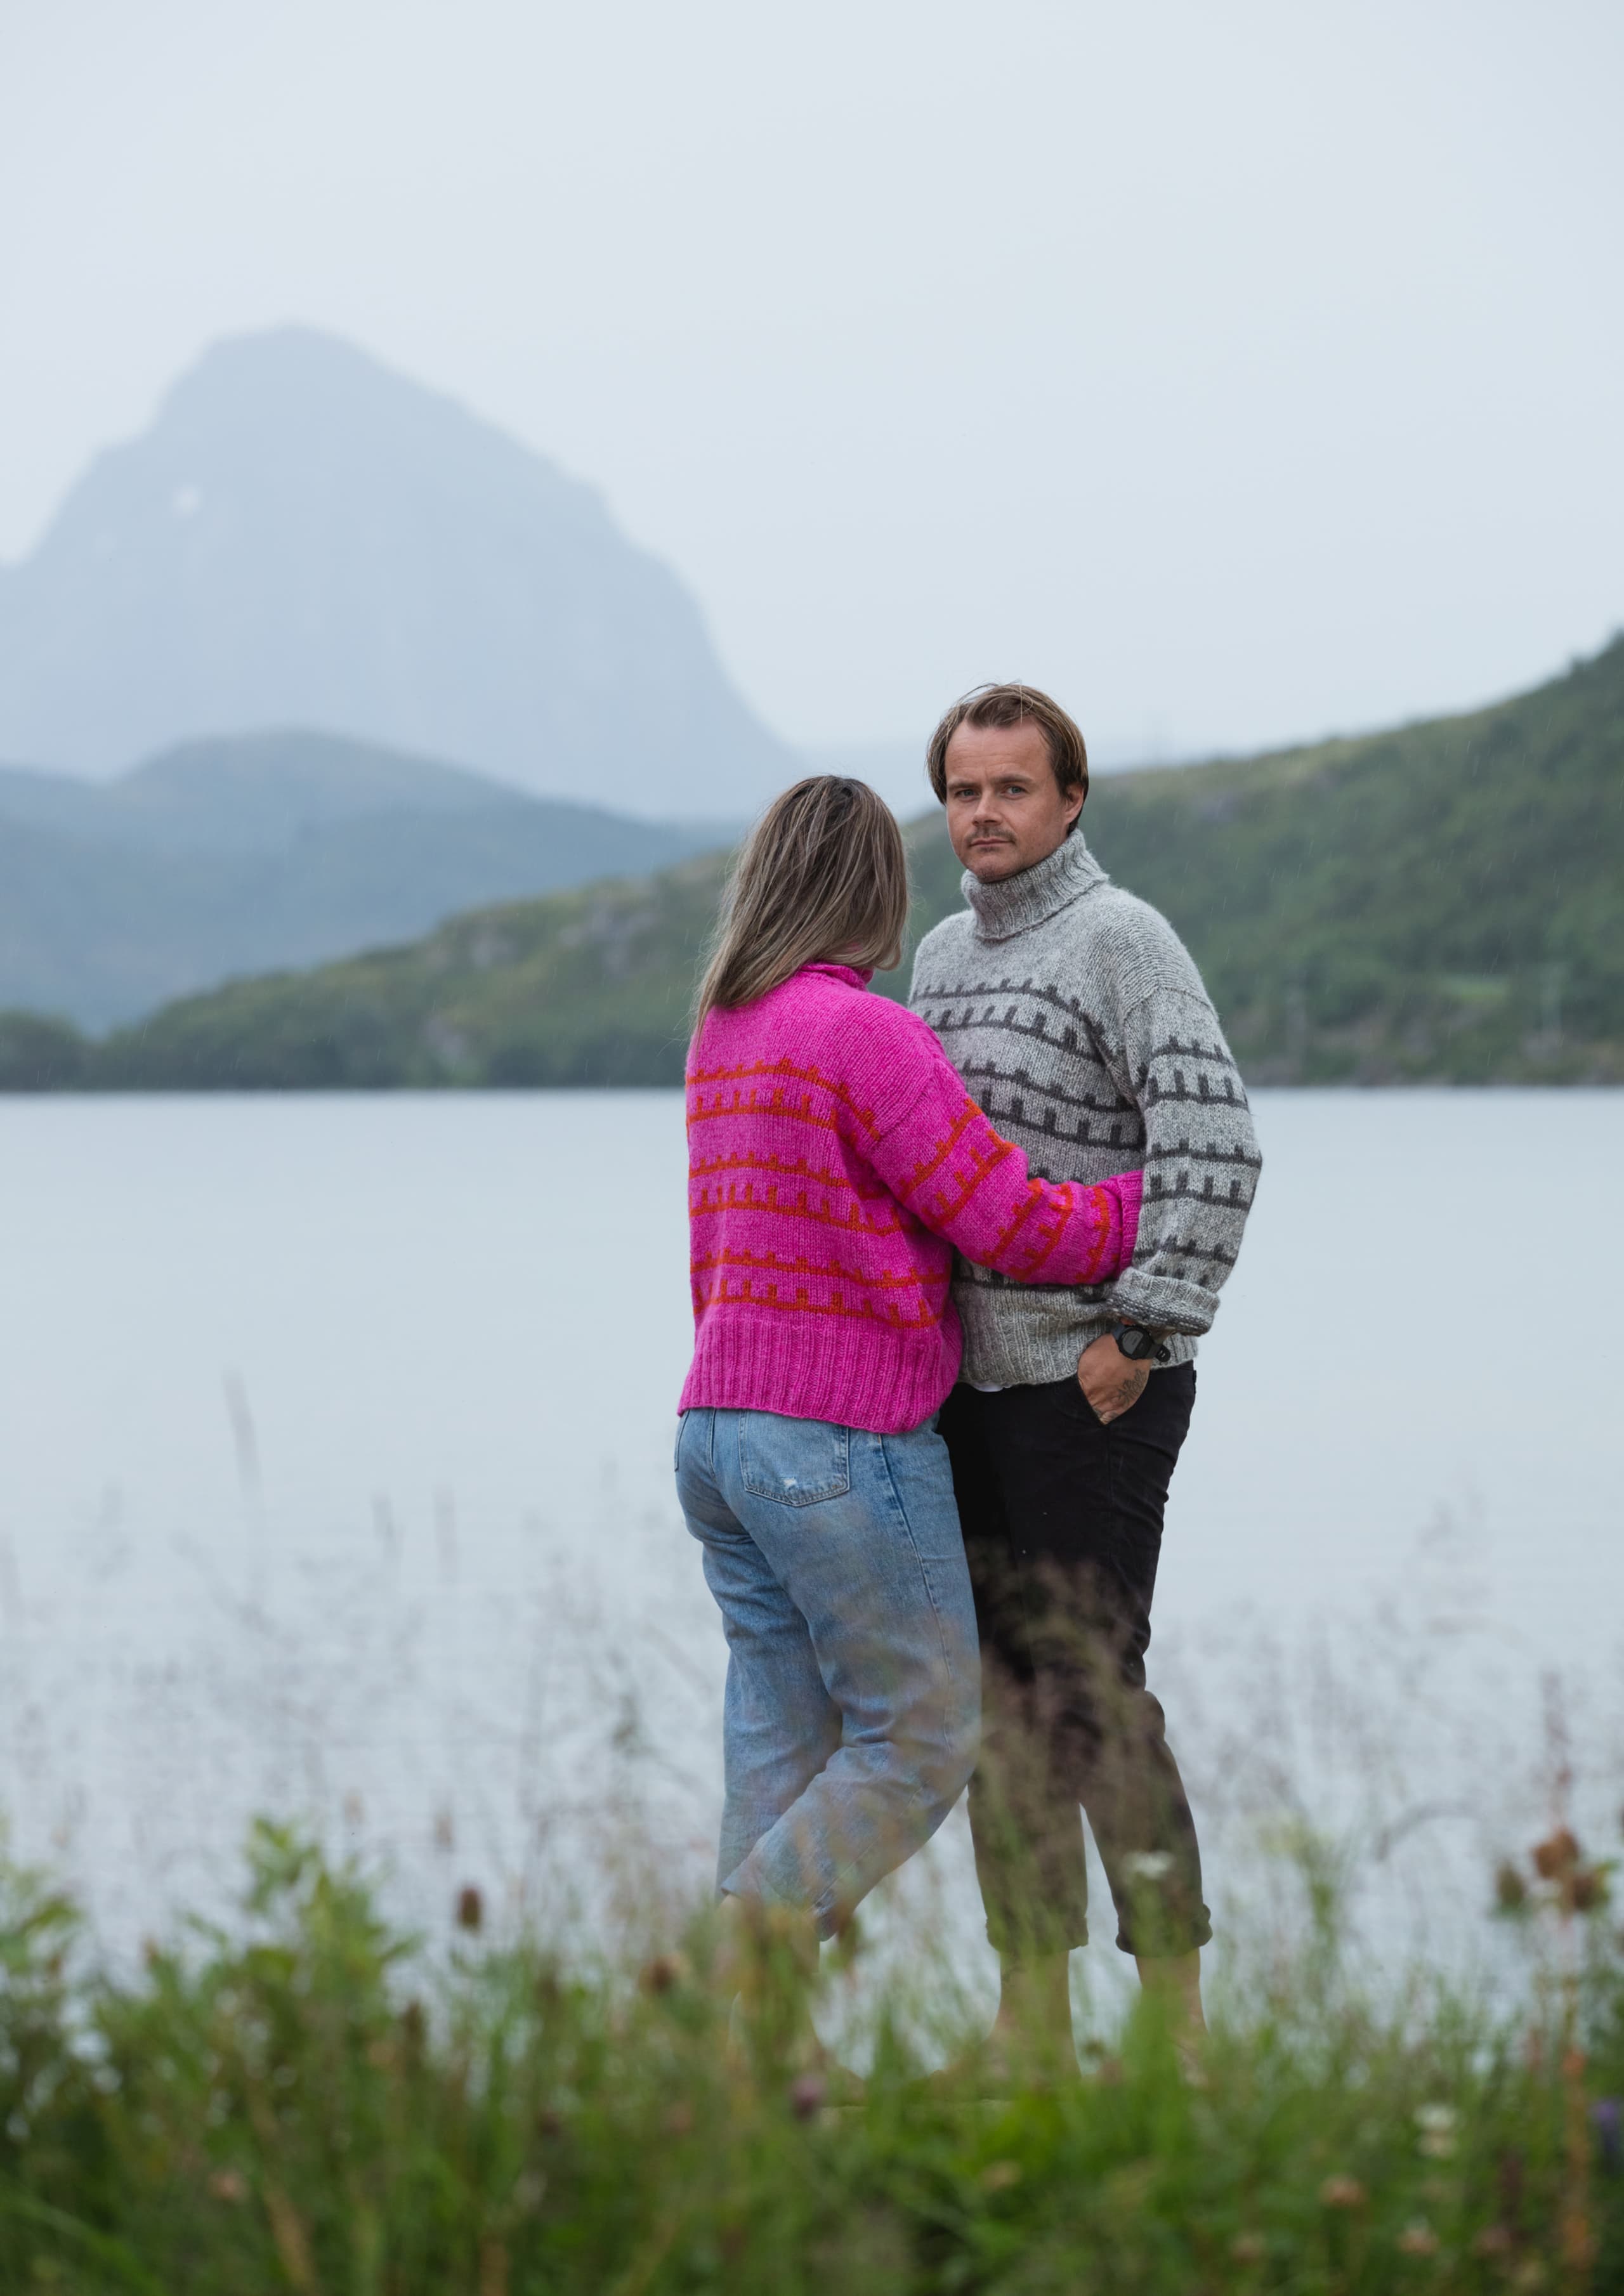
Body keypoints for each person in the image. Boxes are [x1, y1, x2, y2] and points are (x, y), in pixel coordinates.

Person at [673, 774, 1144, 1983]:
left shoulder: (725, 1029)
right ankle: (732, 1961)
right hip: (837, 1439)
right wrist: (1150, 1201)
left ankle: (741, 2062)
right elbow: (1010, 1223)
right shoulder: (865, 1035)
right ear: (874, 886)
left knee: (781, 1740)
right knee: (926, 1737)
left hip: (716, 1435)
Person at [909, 683, 1261, 2059]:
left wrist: (1146, 1331)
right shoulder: (940, 955)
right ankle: (1031, 2018)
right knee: (1000, 1702)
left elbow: (1214, 1143)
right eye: (962, 790)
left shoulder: (1123, 938)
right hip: (967, 1393)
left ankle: (1175, 2018)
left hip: (1094, 1380)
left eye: (1011, 788)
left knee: (1092, 1692)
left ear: (1069, 800)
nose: (984, 813)